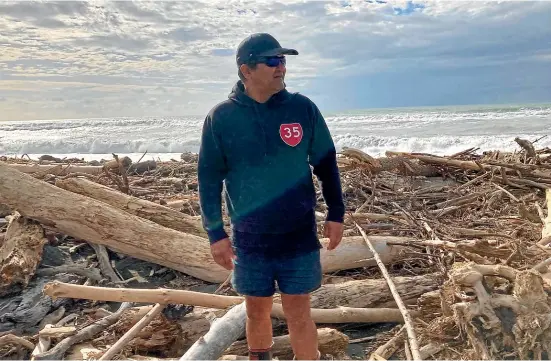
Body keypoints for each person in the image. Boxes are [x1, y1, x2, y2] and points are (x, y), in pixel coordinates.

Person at [198, 33, 345, 360]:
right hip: (250, 239)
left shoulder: (302, 108)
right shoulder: (222, 117)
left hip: (298, 235)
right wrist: (215, 234)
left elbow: (326, 163)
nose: (281, 68)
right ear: (246, 69)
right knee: (256, 312)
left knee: (299, 313)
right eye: (272, 61)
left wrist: (336, 213)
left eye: (283, 60)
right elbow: (208, 179)